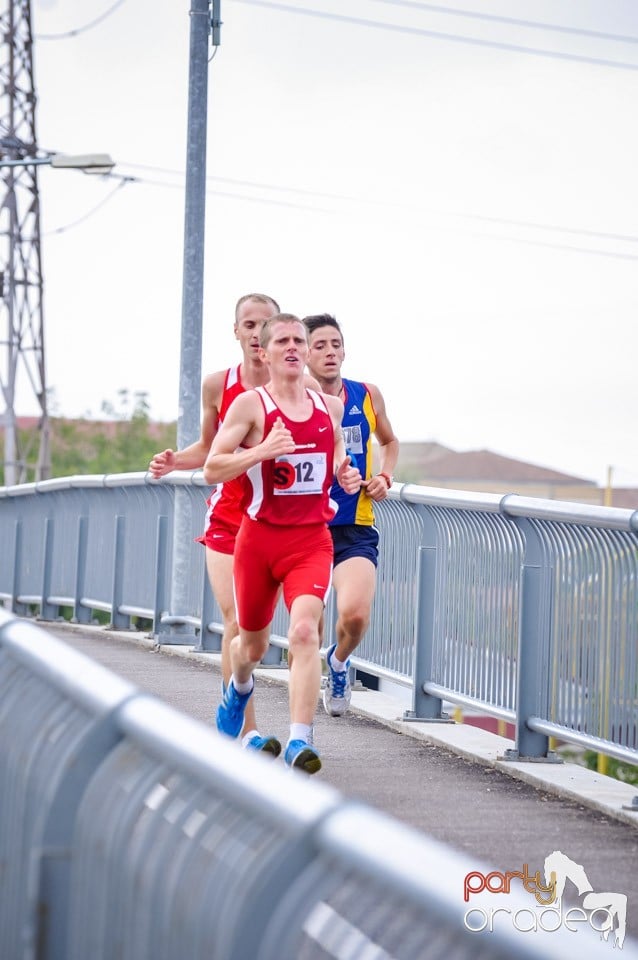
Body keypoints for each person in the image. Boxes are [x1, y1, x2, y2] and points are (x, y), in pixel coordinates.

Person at [203, 313, 362, 774]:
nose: (293, 347)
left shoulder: (326, 408)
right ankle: (239, 687)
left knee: (305, 632)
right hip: (258, 542)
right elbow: (213, 467)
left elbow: (335, 458)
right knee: (250, 647)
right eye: (284, 341)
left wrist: (345, 473)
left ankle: (299, 740)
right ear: (265, 352)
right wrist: (260, 451)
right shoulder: (251, 406)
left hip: (311, 541)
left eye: (299, 340)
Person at [148, 292, 283, 755]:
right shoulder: (217, 385)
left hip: (278, 518)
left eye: (264, 324)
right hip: (229, 516)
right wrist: (174, 461)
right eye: (248, 324)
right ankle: (245, 732)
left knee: (262, 632)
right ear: (237, 332)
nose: (255, 332)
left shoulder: (294, 385)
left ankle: (246, 707)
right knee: (237, 620)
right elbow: (208, 450)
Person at [303, 313, 399, 717]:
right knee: (309, 626)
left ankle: (339, 663)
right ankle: (302, 723)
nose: (329, 353)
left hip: (355, 526)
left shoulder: (366, 394)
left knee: (355, 616)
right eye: (319, 345)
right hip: (306, 526)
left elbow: (390, 442)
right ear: (302, 353)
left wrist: (384, 476)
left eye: (335, 344)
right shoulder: (292, 398)